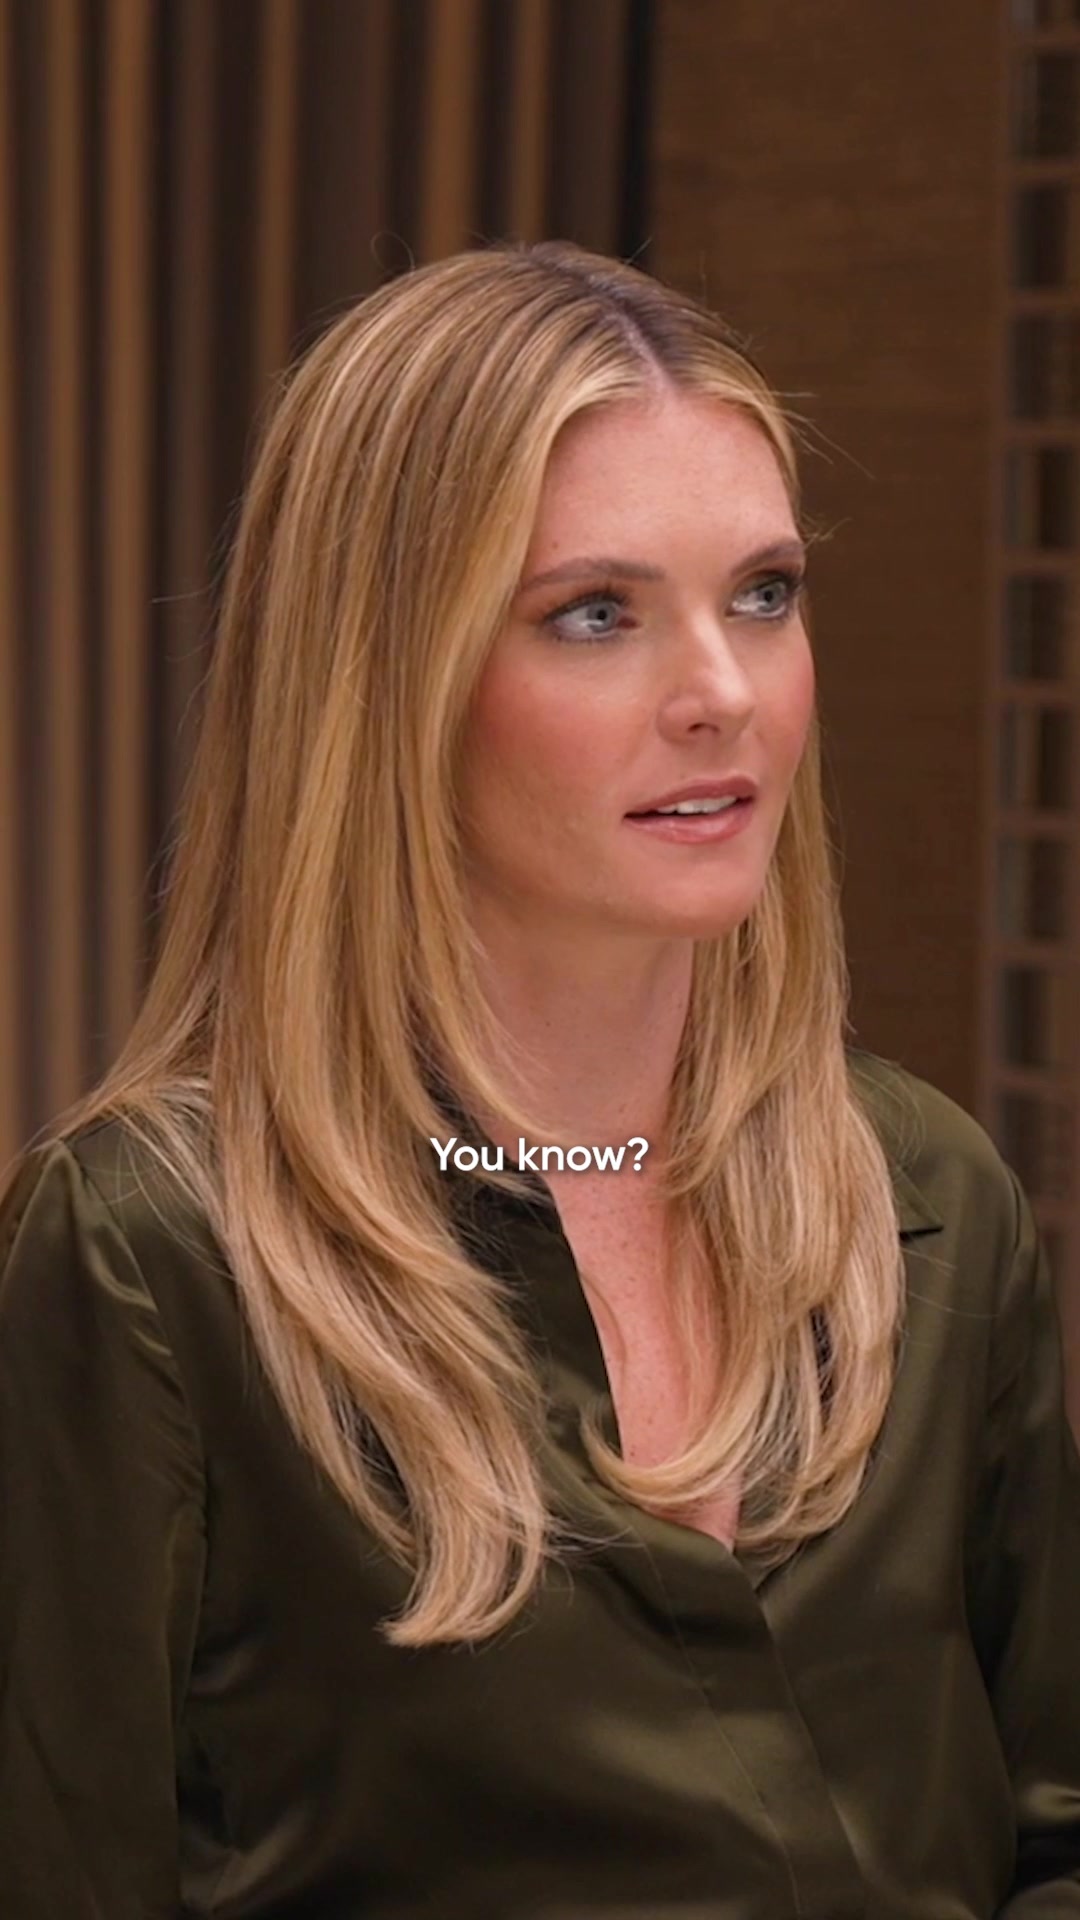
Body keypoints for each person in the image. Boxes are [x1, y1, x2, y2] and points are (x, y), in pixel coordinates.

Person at [0, 240, 1077, 1920]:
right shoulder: (150, 1255)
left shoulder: (930, 1199)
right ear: (389, 683)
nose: (722, 694)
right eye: (595, 615)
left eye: (764, 595)